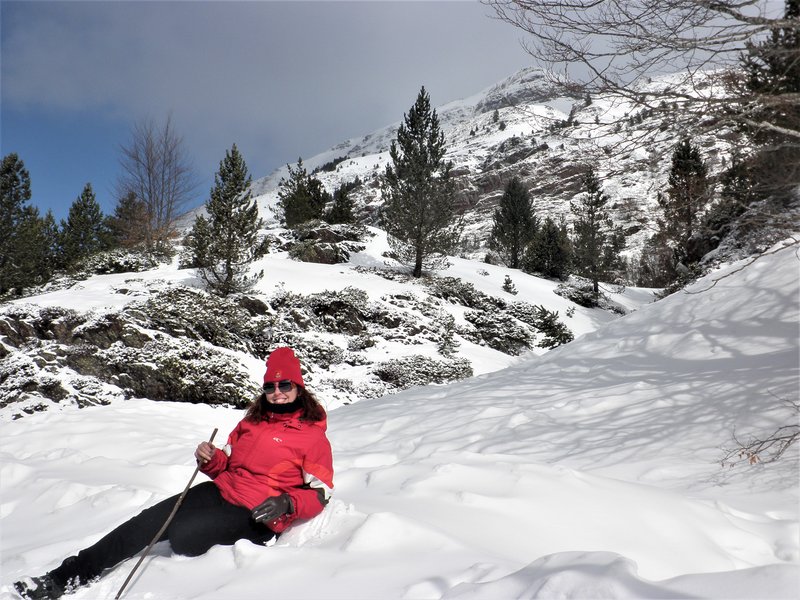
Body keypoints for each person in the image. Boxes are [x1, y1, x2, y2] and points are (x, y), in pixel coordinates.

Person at [14, 347, 334, 600]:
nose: (277, 392)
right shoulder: (250, 423)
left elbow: (321, 493)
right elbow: (226, 464)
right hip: (221, 491)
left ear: (298, 388)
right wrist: (210, 460)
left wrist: (287, 504)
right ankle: (63, 578)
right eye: (270, 386)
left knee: (183, 537)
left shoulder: (311, 436)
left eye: (285, 385)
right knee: (147, 522)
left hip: (258, 513)